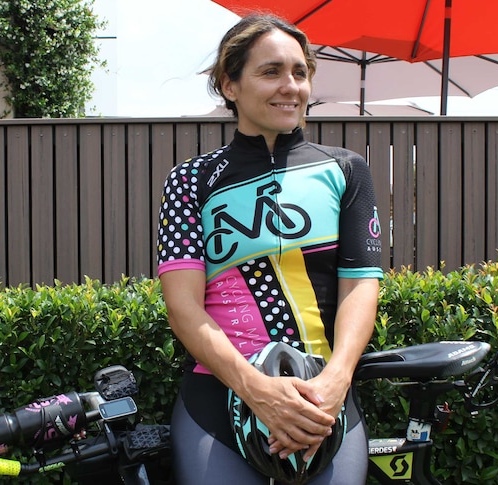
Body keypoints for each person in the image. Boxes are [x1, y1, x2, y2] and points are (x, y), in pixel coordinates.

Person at [155, 13, 383, 485]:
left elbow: (361, 284)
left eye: (300, 72)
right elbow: (182, 306)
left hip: (325, 398)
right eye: (270, 71)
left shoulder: (346, 170)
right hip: (218, 400)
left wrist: (335, 384)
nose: (290, 86)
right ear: (230, 84)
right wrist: (259, 392)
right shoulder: (190, 180)